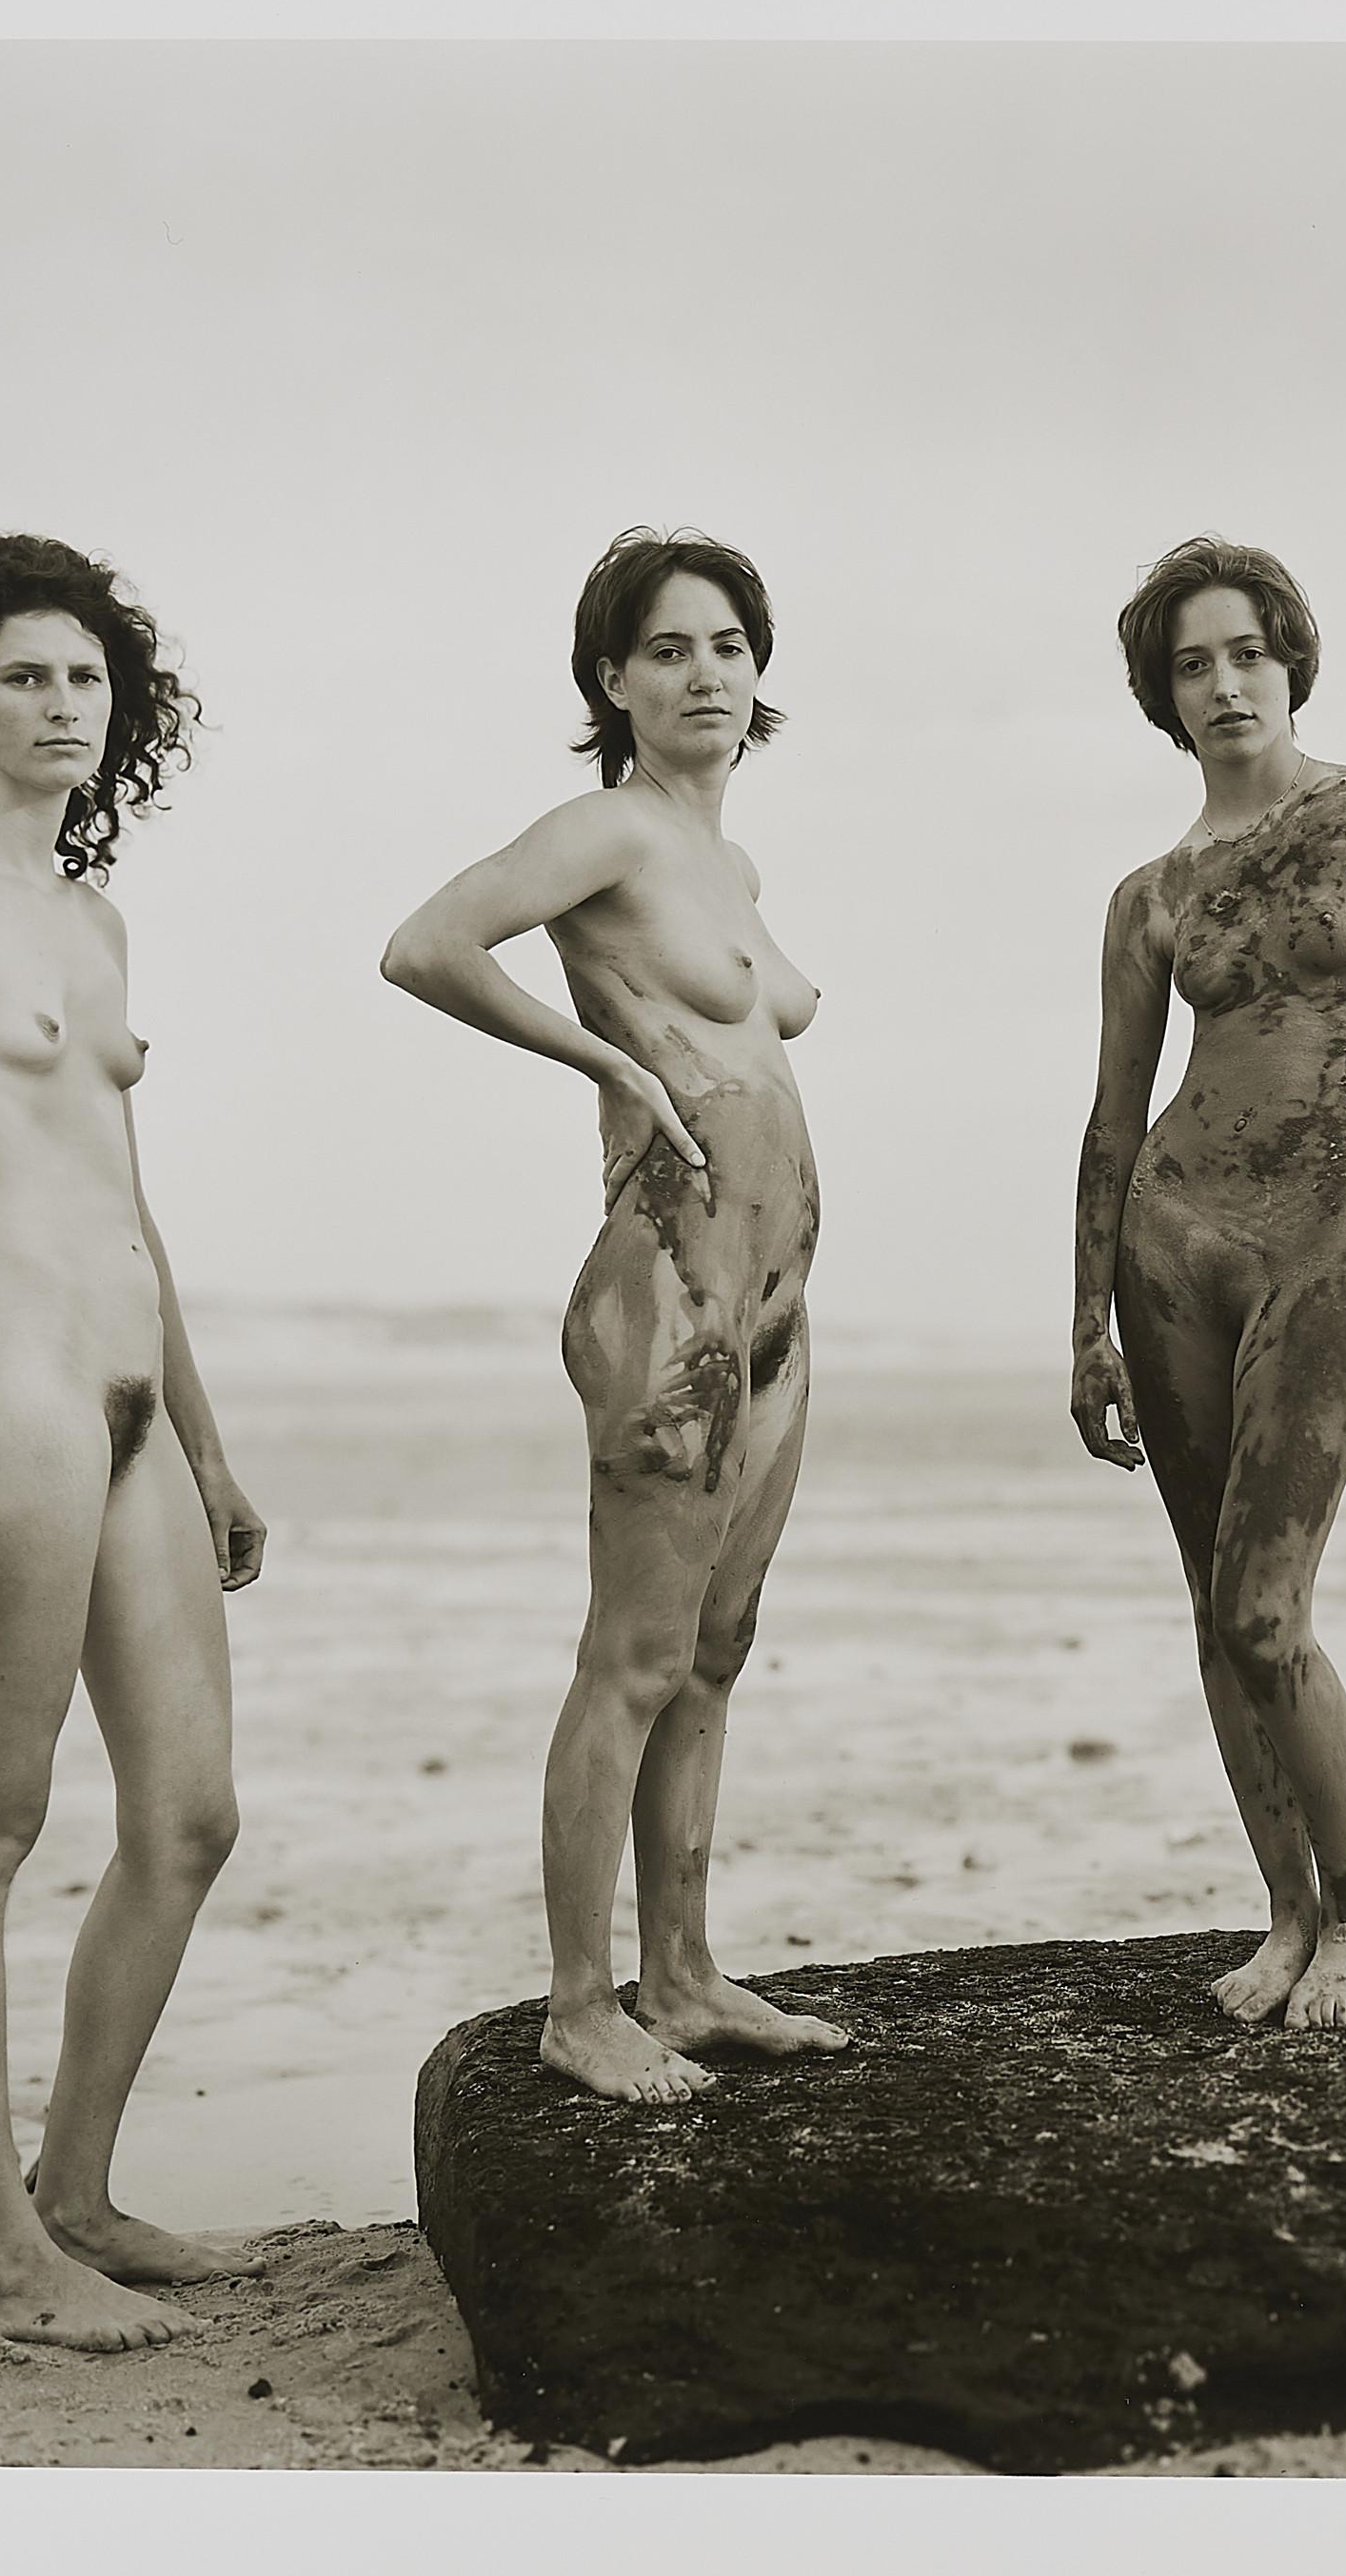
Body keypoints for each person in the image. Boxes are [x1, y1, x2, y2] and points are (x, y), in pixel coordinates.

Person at [0, 534, 266, 2352]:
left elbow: (130, 1202)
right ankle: (1, 2255)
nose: (62, 706)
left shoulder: (94, 920)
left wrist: (212, 1443)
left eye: (87, 680)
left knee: (189, 1813)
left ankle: (78, 2190)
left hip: (134, 1396)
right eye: (26, 675)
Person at [380, 528, 847, 2104]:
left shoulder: (735, 870)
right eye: (666, 650)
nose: (703, 673)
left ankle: (688, 1977)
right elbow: (426, 944)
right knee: (633, 1659)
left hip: (773, 1303)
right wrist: (608, 1064)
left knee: (717, 1653)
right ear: (613, 679)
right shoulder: (606, 829)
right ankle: (582, 2004)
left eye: (728, 645)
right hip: (669, 1288)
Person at [1071, 537, 1346, 2030]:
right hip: (1174, 1245)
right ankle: (1287, 1914)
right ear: (1163, 698)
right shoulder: (1152, 894)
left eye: (1247, 651)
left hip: (1332, 1236)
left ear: (1291, 658)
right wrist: (1085, 1328)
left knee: (1265, 1606)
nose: (1225, 682)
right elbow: (1115, 1122)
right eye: (1193, 664)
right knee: (1208, 1600)